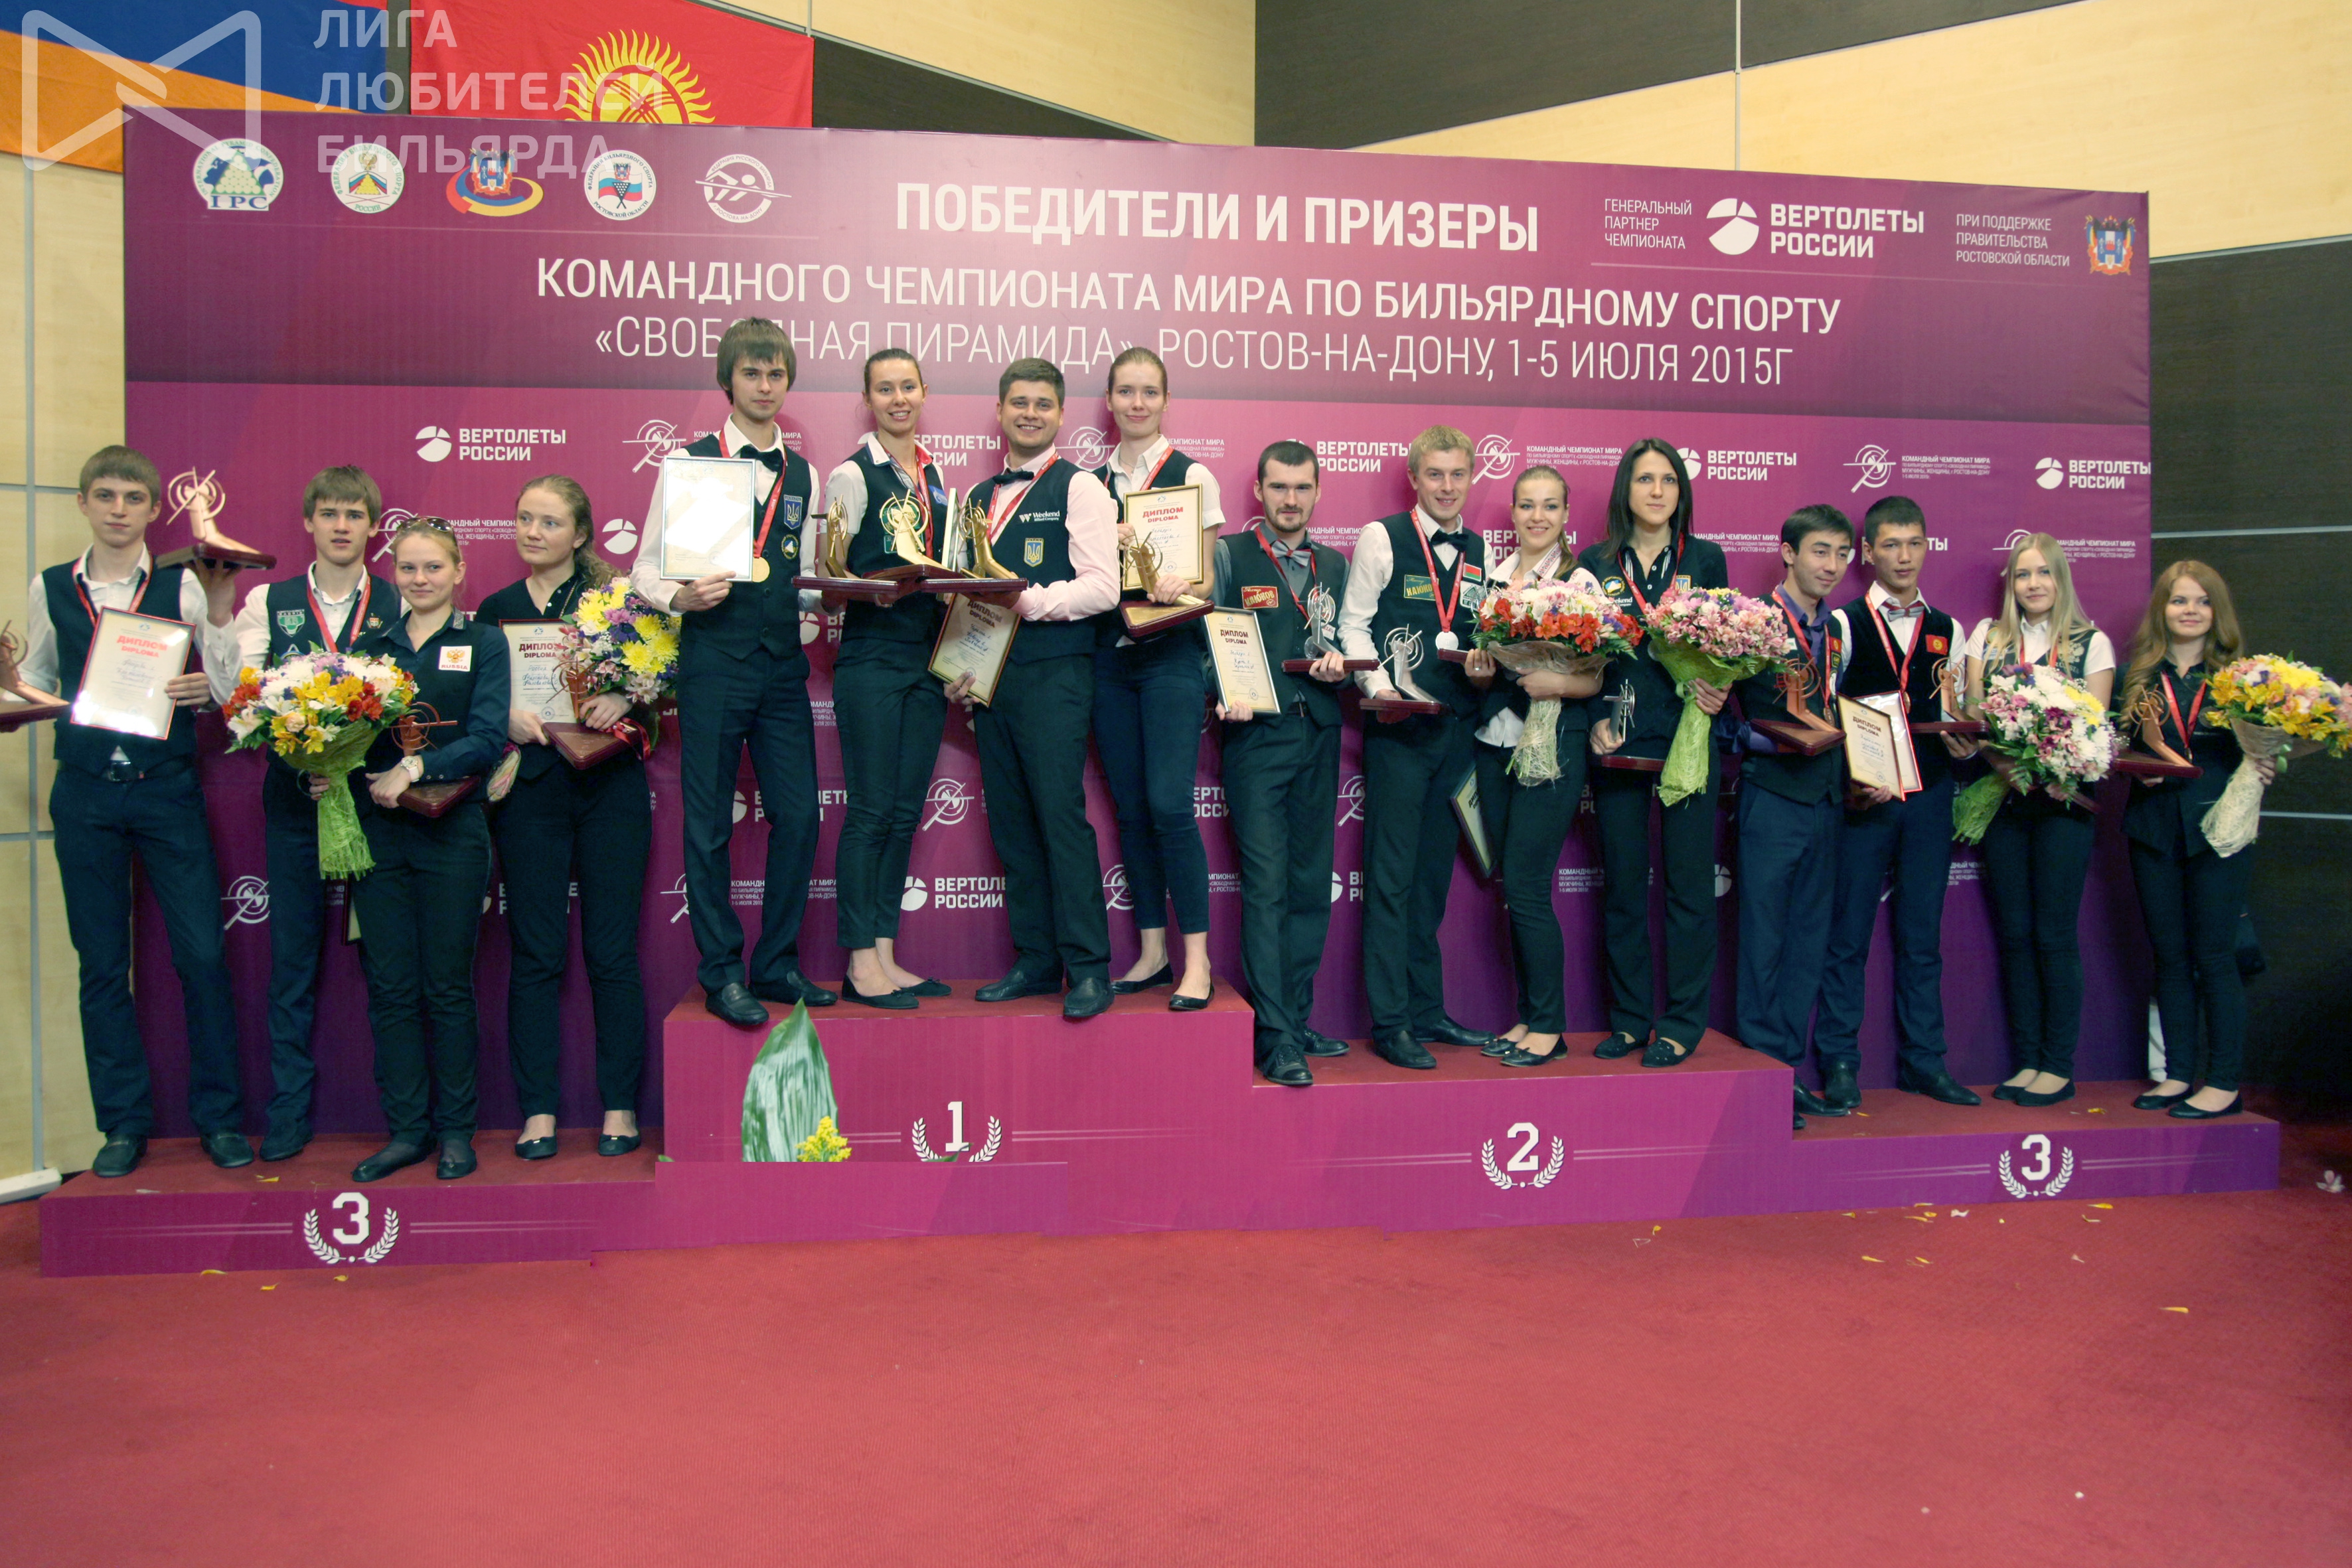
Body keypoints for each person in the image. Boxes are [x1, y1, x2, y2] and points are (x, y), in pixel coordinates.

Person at [26, 445, 247, 1177]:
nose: (118, 509)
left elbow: (227, 687)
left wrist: (206, 690)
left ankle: (220, 1118)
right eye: (105, 496)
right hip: (86, 790)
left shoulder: (185, 584)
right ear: (83, 503)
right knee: (101, 965)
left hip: (165, 786)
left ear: (155, 508)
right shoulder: (50, 586)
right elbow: (37, 681)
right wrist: (18, 693)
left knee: (202, 956)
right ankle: (121, 1124)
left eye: (132, 498)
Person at [629, 317, 834, 1028]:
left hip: (781, 668)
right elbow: (645, 569)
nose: (764, 385)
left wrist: (840, 591)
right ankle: (720, 972)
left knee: (800, 817)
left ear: (788, 381)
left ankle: (775, 963)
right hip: (714, 664)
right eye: (752, 373)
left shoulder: (804, 474)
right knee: (710, 823)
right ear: (727, 380)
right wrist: (678, 598)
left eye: (776, 373)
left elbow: (805, 575)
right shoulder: (690, 463)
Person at [221, 465, 396, 1162]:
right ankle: (288, 1113)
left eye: (354, 514)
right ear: (309, 522)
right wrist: (304, 764)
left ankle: (403, 1115)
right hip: (296, 801)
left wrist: (355, 764)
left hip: (377, 804)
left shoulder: (398, 598)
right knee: (292, 965)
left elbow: (416, 702)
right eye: (329, 513)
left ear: (374, 526)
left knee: (389, 964)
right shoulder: (271, 600)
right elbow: (243, 699)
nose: (342, 526)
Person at [478, 477, 651, 1158]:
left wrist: (626, 701)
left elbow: (658, 675)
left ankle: (620, 1107)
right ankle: (538, 1112)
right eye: (525, 518)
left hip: (609, 787)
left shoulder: (617, 602)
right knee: (536, 954)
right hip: (531, 792)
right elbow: (475, 700)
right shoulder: (495, 610)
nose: (533, 532)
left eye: (549, 522)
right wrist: (502, 718)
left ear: (580, 535)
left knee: (611, 953)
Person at [953, 358, 1121, 1020]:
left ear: (1060, 414)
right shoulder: (976, 497)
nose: (1030, 413)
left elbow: (1102, 588)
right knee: (1013, 822)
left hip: (1055, 673)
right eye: (1018, 402)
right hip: (993, 677)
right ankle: (1036, 958)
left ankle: (1089, 967)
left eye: (1042, 404)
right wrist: (962, 666)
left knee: (1059, 818)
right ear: (999, 411)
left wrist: (1030, 602)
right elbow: (968, 594)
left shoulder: (1081, 488)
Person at [345, 519, 510, 1182]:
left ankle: (456, 1133)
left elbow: (488, 738)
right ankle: (407, 1132)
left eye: (433, 567)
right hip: (380, 833)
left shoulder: (484, 642)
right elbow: (349, 738)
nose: (420, 579)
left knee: (446, 987)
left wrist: (414, 768)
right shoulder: (369, 649)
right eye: (409, 568)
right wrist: (324, 767)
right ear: (394, 574)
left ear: (458, 570)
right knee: (391, 989)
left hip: (452, 832)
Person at [1337, 425, 1502, 1068]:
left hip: (1457, 731)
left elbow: (1479, 634)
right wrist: (1381, 689)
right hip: (1400, 731)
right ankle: (1390, 1022)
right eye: (1435, 474)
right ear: (1414, 477)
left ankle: (1427, 1010)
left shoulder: (1481, 549)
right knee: (1391, 878)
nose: (1446, 486)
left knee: (1431, 879)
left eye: (1457, 474)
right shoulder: (1381, 537)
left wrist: (1486, 670)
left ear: (1471, 477)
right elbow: (1353, 625)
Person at [1814, 496, 1981, 1111]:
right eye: (1890, 544)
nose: (1903, 556)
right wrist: (1851, 781)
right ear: (1867, 552)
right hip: (1865, 800)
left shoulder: (1948, 629)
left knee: (1921, 937)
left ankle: (1924, 1062)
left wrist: (1967, 743)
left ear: (1926, 547)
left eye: (1913, 543)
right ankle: (1839, 1061)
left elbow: (1957, 714)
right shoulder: (1841, 622)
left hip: (1930, 795)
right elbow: (1825, 712)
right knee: (1847, 934)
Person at [1581, 439, 1729, 1070]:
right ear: (1626, 489)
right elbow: (1581, 653)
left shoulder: (1705, 558)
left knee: (1688, 888)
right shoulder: (1595, 562)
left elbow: (1726, 645)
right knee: (1622, 888)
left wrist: (1721, 685)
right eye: (1645, 479)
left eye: (1668, 480)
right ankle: (1628, 1020)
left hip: (1688, 737)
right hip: (1619, 739)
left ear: (1680, 491)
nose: (1657, 491)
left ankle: (1680, 1024)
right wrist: (1594, 718)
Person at [1211, 441, 1354, 1085]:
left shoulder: (1335, 564)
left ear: (1317, 491)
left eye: (1301, 488)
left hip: (1319, 732)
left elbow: (1348, 642)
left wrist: (1341, 666)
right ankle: (1274, 1038)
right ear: (1259, 492)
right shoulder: (1230, 555)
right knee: (1266, 889)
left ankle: (1294, 1018)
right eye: (1278, 487)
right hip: (1256, 739)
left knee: (1309, 888)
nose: (1290, 500)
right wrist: (1220, 688)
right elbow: (1203, 639)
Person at [821, 349, 957, 1009]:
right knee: (871, 812)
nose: (898, 398)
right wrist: (868, 588)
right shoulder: (850, 475)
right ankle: (858, 963)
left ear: (924, 392)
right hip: (871, 656)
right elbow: (826, 584)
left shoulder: (935, 475)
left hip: (926, 659)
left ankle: (884, 953)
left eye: (907, 387)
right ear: (868, 399)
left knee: (903, 816)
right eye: (885, 389)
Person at [1966, 532, 2114, 1108]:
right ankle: (2027, 1059)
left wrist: (2059, 769)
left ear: (2060, 579)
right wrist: (2005, 765)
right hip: (2006, 799)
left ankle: (2057, 1065)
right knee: (2015, 934)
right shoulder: (1987, 637)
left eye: (2043, 572)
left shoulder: (2090, 644)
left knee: (2053, 935)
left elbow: (2096, 730)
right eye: (2023, 573)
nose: (2033, 584)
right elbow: (1972, 715)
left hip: (2061, 804)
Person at [1093, 347, 1221, 1010]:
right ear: (1109, 401)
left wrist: (1180, 581)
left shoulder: (1191, 475)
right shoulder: (1090, 484)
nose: (1137, 403)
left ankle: (1197, 961)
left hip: (1171, 656)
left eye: (1149, 392)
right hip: (1111, 661)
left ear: (1166, 400)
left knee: (1170, 806)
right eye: (1126, 391)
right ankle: (1151, 951)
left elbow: (1206, 580)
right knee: (1132, 811)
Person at [2117, 561, 2267, 1119]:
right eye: (2179, 600)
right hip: (2152, 828)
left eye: (2201, 601)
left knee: (2214, 955)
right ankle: (2177, 1075)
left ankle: (2222, 1083)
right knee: (2170, 957)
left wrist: (2267, 762)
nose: (2190, 611)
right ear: (2162, 609)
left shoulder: (2243, 681)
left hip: (2217, 832)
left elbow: (2263, 751)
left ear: (2216, 612)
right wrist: (2136, 768)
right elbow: (2113, 747)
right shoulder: (2136, 676)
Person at [1468, 467, 1605, 1068]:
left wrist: (1559, 684)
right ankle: (1528, 1017)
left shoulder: (1579, 581)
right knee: (1513, 886)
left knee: (1526, 885)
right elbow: (1488, 668)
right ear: (1513, 512)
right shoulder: (1493, 578)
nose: (1538, 517)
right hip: (1495, 741)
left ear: (1566, 514)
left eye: (1550, 506)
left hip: (1553, 745)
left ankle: (1549, 1026)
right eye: (1527, 506)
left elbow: (1597, 677)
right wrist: (1478, 670)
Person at [1730, 505, 1857, 1131]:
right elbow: (1715, 715)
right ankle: (1760, 1081)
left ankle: (1787, 1072)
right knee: (1762, 942)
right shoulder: (1749, 621)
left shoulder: (1837, 631)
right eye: (1819, 552)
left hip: (1826, 801)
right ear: (1787, 552)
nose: (1831, 566)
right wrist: (1763, 741)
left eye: (1841, 554)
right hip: (1770, 798)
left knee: (1807, 946)